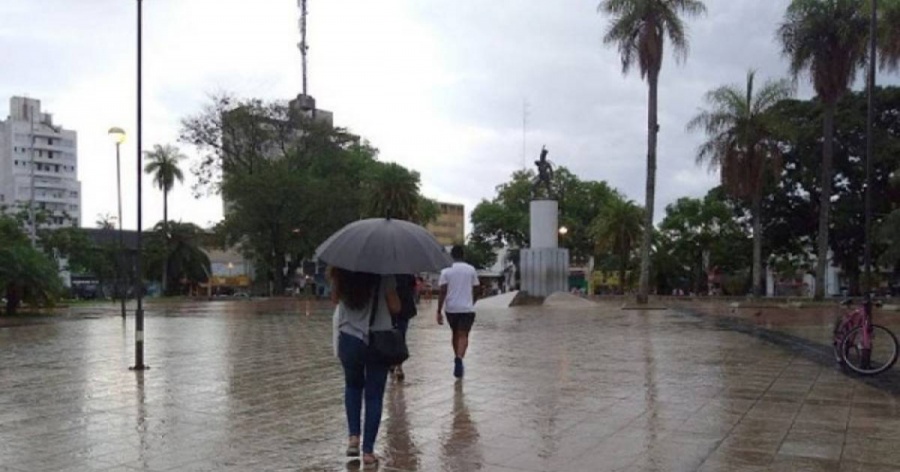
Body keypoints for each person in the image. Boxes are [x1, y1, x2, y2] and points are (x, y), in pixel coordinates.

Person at [330, 267, 401, 469]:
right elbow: (395, 307)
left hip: (349, 338)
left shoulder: (342, 268)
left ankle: (353, 437)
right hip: (378, 339)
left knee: (352, 387)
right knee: (374, 396)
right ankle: (368, 452)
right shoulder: (384, 271)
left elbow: (334, 299)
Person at [437, 245, 480, 379]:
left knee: (455, 333)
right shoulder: (471, 269)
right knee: (463, 335)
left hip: (451, 308)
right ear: (463, 255)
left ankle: (457, 357)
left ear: (451, 256)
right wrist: (472, 301)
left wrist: (438, 310)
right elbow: (477, 288)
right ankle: (459, 358)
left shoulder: (445, 271)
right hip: (467, 308)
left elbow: (442, 291)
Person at [391, 274, 418, 381]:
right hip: (401, 308)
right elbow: (413, 289)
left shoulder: (388, 272)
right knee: (400, 336)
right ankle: (396, 365)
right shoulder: (407, 272)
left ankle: (397, 365)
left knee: (398, 336)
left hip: (397, 309)